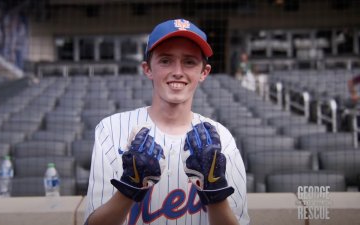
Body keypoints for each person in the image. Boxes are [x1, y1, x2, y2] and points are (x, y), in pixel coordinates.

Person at [84, 18, 249, 225]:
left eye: (189, 61)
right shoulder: (110, 129)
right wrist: (129, 188)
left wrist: (214, 191)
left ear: (203, 72)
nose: (178, 71)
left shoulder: (222, 138)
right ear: (148, 69)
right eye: (165, 60)